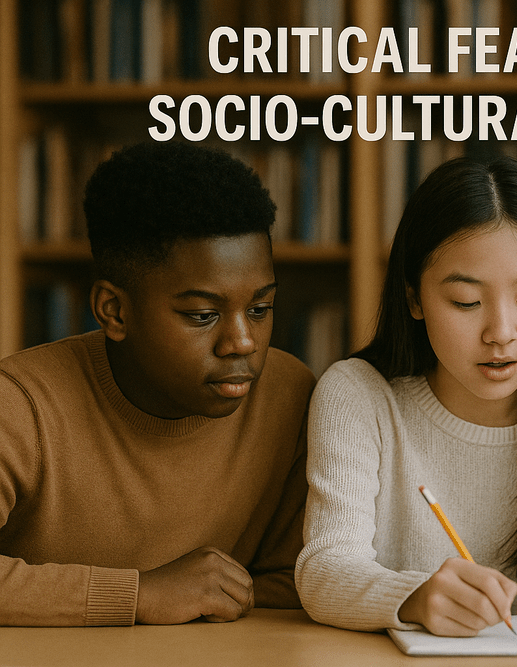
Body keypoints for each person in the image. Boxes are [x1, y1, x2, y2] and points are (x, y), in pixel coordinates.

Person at [295, 156, 517, 636]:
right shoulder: (359, 396)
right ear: (414, 298)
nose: (501, 333)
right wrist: (415, 598)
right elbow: (324, 570)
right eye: (466, 302)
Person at [0, 142, 315, 626]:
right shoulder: (20, 405)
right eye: (202, 315)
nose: (242, 342)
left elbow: (299, 580)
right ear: (115, 311)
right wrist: (139, 595)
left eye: (260, 309)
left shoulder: (291, 396)